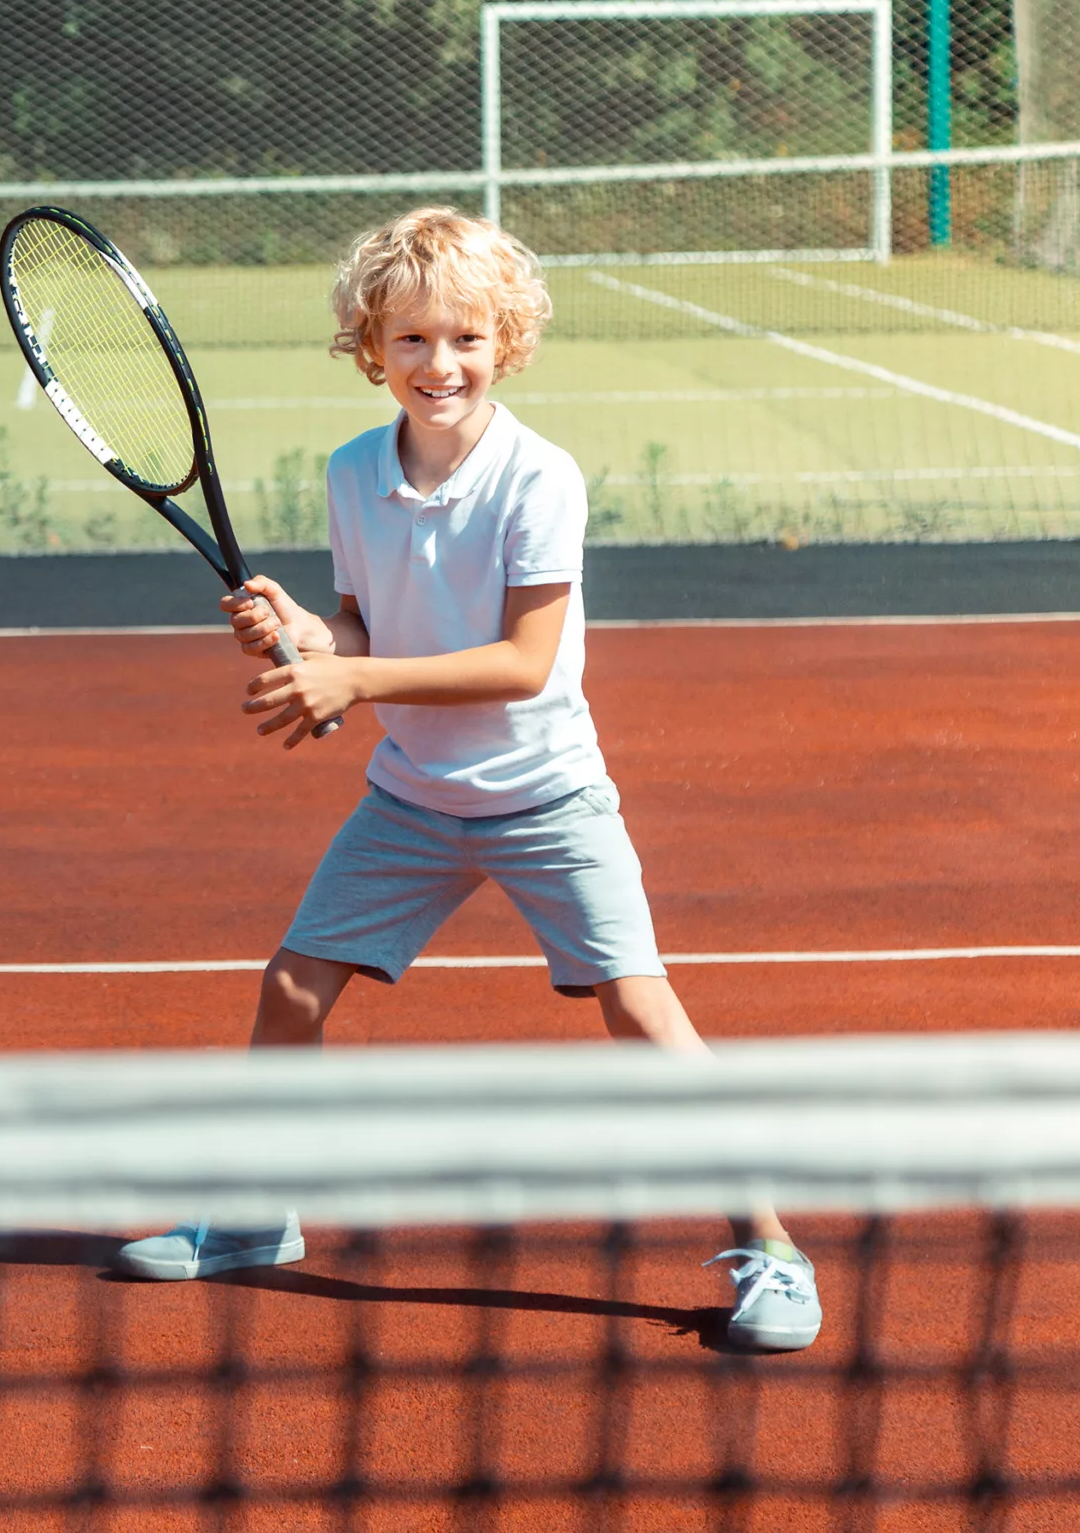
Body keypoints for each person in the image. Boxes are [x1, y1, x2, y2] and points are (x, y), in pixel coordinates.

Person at [112, 207, 818, 1353]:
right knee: (291, 989)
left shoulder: (540, 478)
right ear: (368, 347)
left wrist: (353, 681)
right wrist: (303, 631)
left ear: (508, 343)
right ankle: (250, 1217)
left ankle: (773, 1250)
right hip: (414, 800)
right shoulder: (351, 473)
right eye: (411, 341)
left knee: (640, 1012)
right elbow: (355, 625)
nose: (439, 365)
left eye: (466, 340)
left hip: (548, 797)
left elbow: (522, 663)